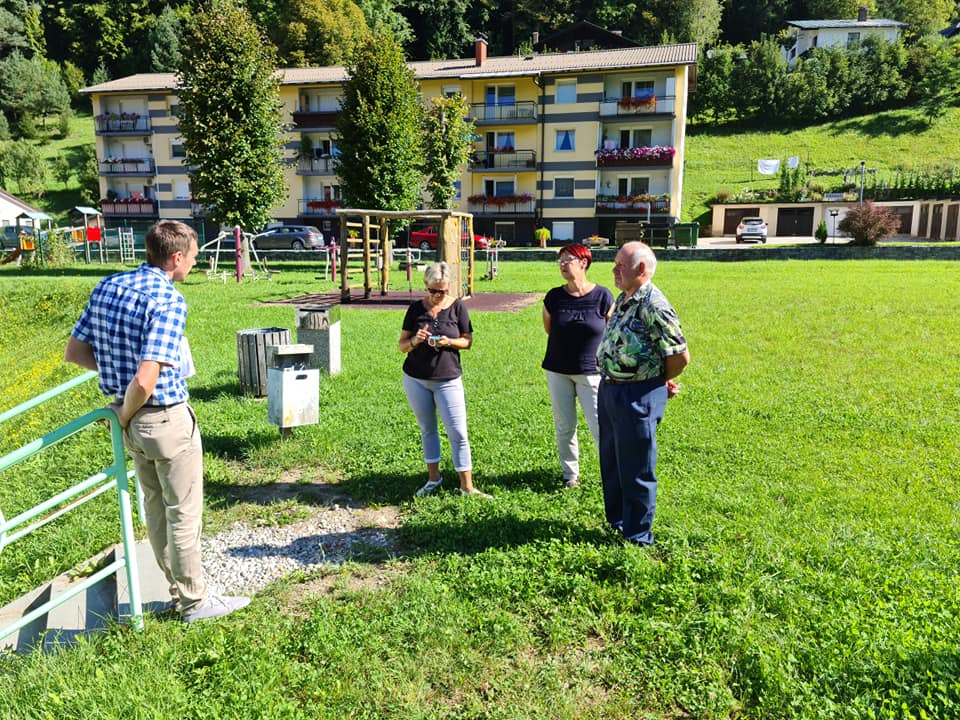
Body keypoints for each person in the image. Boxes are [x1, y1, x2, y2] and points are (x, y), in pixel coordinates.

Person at [64, 220, 250, 622]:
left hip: (130, 424)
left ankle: (178, 591)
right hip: (163, 420)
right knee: (182, 513)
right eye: (194, 257)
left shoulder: (108, 286)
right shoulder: (168, 300)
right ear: (177, 257)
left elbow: (74, 352)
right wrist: (128, 405)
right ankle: (195, 602)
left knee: (156, 509)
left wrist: (120, 397)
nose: (195, 263)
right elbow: (147, 379)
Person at [596, 241, 689, 546]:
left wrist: (656, 380)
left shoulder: (654, 305)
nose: (614, 270)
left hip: (637, 395)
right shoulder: (625, 298)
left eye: (620, 265)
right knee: (612, 460)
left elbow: (679, 356)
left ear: (641, 269)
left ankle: (637, 535)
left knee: (636, 467)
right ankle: (618, 520)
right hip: (611, 390)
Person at [398, 261, 489, 498]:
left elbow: (467, 341)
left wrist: (449, 342)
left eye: (442, 291)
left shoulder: (458, 307)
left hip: (448, 378)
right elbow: (402, 346)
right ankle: (433, 478)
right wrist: (416, 340)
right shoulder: (415, 309)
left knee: (458, 432)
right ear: (425, 285)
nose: (438, 295)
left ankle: (467, 486)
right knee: (427, 429)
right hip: (416, 379)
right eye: (433, 290)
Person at [541, 243, 614, 488]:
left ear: (584, 263)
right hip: (558, 370)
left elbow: (612, 332)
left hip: (591, 372)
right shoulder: (554, 297)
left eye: (568, 260)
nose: (562, 265)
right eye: (560, 261)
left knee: (600, 425)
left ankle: (611, 474)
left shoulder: (603, 296)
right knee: (565, 426)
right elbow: (550, 329)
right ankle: (570, 475)